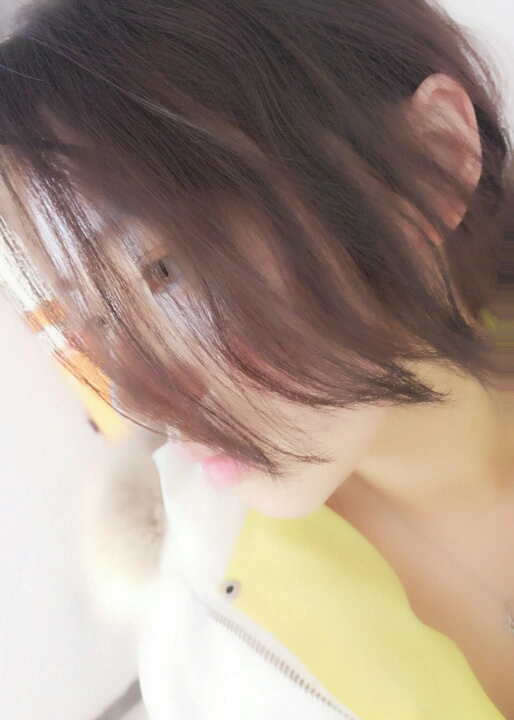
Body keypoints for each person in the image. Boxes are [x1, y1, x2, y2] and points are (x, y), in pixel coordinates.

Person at [0, 1, 513, 718]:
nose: (135, 398)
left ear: (433, 160)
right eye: (98, 320)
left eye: (165, 270)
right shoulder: (211, 672)